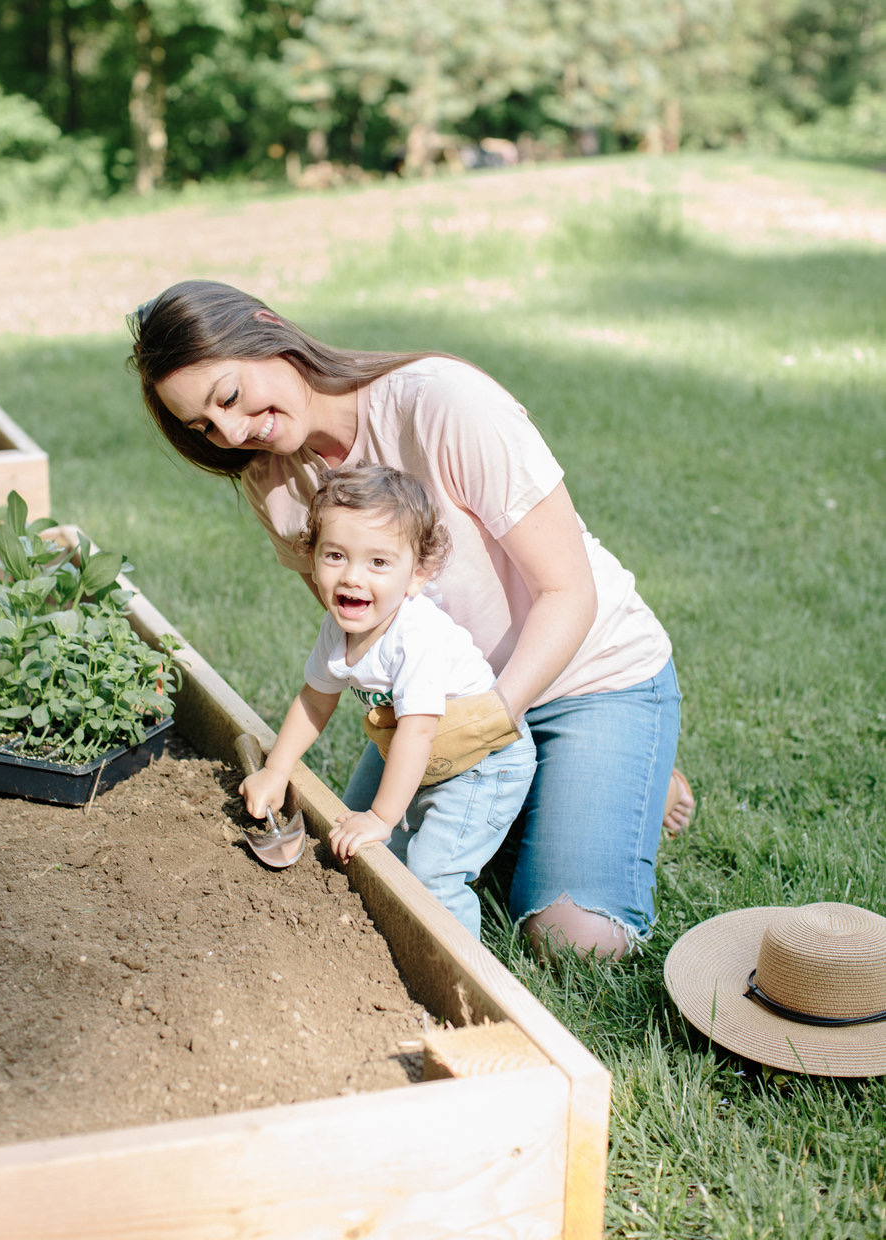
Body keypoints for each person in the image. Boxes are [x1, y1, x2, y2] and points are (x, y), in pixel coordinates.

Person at [128, 278, 690, 960]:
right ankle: (568, 788)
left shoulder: (443, 403)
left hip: (584, 677)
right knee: (359, 874)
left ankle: (623, 759)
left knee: (572, 941)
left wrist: (487, 723)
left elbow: (568, 591)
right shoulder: (270, 477)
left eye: (229, 398)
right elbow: (360, 640)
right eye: (205, 428)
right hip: (442, 697)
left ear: (265, 328)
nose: (236, 432)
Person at [237, 462, 536, 938]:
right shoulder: (338, 629)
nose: (353, 578)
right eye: (336, 555)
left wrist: (381, 817)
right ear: (311, 558)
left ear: (417, 575)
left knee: (432, 873)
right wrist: (276, 769)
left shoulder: (416, 636)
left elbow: (419, 730)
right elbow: (315, 701)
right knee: (350, 840)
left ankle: (460, 980)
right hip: (423, 748)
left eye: (378, 562)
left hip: (483, 761)